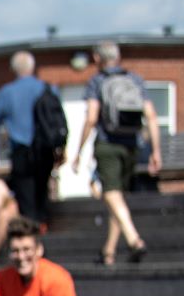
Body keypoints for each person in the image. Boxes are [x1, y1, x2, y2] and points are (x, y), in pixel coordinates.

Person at [68, 42, 160, 264]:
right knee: (118, 198)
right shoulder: (134, 79)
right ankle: (108, 252)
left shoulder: (97, 81)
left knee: (110, 193)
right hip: (131, 143)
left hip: (108, 143)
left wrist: (78, 150)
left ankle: (134, 239)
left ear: (98, 58)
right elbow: (151, 115)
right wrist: (155, 151)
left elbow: (91, 118)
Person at [0, 51, 54, 227]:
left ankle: (31, 230)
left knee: (26, 195)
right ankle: (42, 226)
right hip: (44, 149)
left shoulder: (8, 92)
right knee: (42, 189)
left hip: (22, 150)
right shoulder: (46, 88)